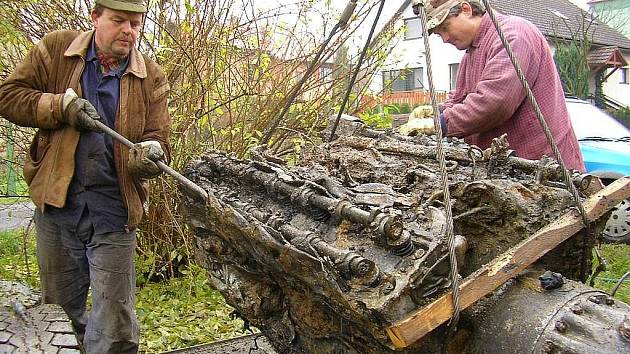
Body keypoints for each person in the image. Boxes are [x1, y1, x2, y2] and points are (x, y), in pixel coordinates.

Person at [0, 0, 171, 352]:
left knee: (115, 321)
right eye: (119, 21)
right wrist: (60, 107)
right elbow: (8, 97)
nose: (129, 31)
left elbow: (159, 139)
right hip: (59, 205)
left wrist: (150, 154)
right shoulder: (56, 50)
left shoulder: (150, 76)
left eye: (136, 24)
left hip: (114, 211)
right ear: (95, 18)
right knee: (59, 314)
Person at [409, 0, 585, 171]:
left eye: (445, 28)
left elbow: (495, 102)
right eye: (440, 34)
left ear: (466, 9)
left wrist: (439, 124)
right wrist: (435, 111)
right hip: (511, 168)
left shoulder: (511, 34)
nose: (445, 39)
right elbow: (460, 99)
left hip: (544, 167)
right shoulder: (471, 53)